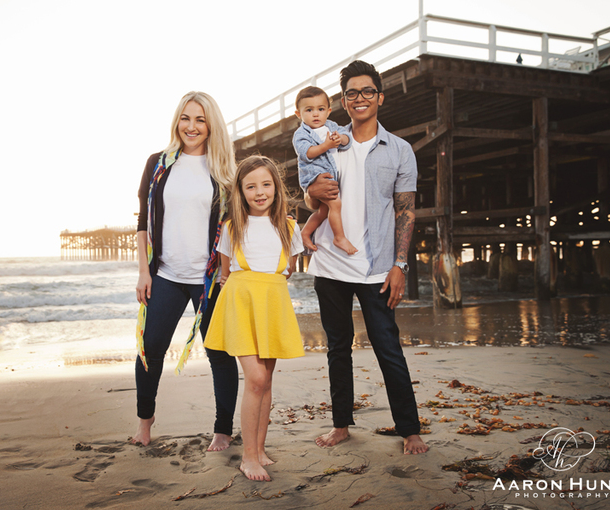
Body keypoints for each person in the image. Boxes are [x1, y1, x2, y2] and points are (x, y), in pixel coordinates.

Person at [305, 61, 428, 455]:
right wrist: (311, 193)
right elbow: (311, 196)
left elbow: (405, 210)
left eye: (367, 91)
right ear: (343, 101)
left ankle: (410, 430)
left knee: (388, 347)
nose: (360, 98)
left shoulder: (400, 150)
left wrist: (400, 265)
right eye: (352, 93)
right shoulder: (330, 143)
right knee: (337, 348)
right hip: (330, 264)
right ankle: (341, 424)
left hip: (377, 268)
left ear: (380, 97)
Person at [133, 91, 239, 453]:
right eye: (185, 118)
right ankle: (145, 422)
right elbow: (143, 222)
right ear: (177, 120)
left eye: (200, 120)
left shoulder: (223, 171)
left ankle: (222, 430)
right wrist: (144, 272)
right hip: (165, 274)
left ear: (211, 126)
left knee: (219, 354)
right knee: (149, 349)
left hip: (209, 280)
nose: (191, 127)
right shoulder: (158, 164)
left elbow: (234, 226)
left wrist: (229, 272)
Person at [204, 155, 305, 481]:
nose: (260, 192)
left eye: (266, 184)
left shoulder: (290, 227)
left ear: (276, 187)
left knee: (267, 381)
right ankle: (248, 457)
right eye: (251, 187)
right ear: (240, 191)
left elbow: (287, 269)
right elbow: (225, 273)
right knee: (257, 379)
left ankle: (259, 449)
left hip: (271, 304)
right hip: (241, 306)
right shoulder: (232, 227)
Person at [293, 86, 356, 255]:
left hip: (329, 174)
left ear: (328, 111)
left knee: (324, 210)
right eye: (309, 110)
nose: (315, 114)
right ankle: (339, 237)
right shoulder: (301, 133)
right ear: (298, 114)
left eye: (320, 109)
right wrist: (327, 145)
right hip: (315, 175)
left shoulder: (331, 126)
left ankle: (305, 232)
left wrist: (340, 138)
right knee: (335, 203)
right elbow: (307, 153)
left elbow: (347, 139)